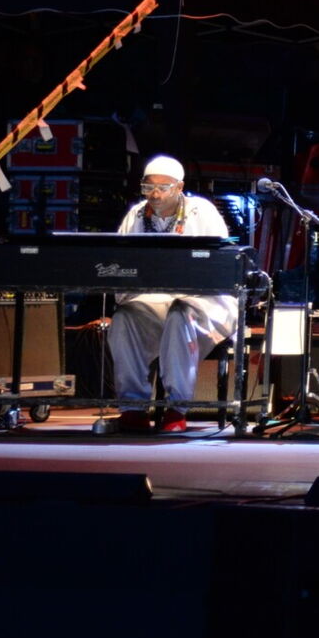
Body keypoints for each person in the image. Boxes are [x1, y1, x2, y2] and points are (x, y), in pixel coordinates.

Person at [107, 155, 238, 434]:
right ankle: (132, 408)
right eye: (148, 187)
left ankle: (177, 408)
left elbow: (220, 265)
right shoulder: (137, 214)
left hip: (204, 300)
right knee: (124, 318)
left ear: (179, 187)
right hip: (153, 299)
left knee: (180, 314)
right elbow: (121, 261)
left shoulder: (201, 212)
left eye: (162, 187)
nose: (154, 194)